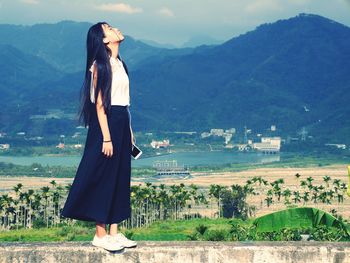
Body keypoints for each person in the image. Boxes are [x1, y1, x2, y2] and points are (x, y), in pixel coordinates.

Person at [61, 22, 137, 252]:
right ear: (105, 40)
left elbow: (125, 102)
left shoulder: (120, 63)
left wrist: (130, 133)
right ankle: (100, 234)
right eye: (110, 28)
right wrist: (106, 137)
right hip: (106, 124)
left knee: (119, 175)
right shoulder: (99, 66)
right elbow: (101, 105)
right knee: (102, 175)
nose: (117, 29)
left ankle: (114, 232)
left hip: (121, 121)